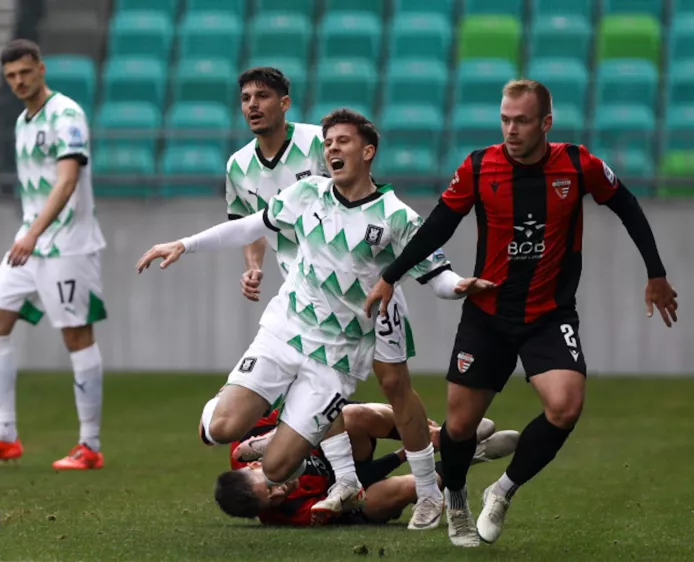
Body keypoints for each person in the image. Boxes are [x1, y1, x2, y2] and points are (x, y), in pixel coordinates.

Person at [137, 108, 494, 525]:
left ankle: (407, 480)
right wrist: (185, 243)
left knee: (275, 469)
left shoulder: (397, 217)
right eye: (327, 143)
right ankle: (242, 406)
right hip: (286, 331)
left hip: (338, 357)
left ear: (368, 151)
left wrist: (459, 286)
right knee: (221, 428)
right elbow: (251, 226)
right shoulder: (306, 194)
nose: (331, 149)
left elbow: (436, 275)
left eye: (342, 141)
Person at [364, 79, 679, 546]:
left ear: (546, 123)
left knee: (565, 407)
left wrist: (656, 273)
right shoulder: (478, 167)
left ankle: (503, 490)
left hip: (550, 314)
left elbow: (627, 206)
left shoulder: (579, 165)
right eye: (505, 120)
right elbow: (439, 224)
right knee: (459, 427)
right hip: (488, 315)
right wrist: (391, 275)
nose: (511, 130)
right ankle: (456, 501)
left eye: (522, 121)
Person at [224, 66, 454, 530]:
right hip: (305, 292)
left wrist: (445, 280)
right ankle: (352, 479)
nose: (252, 105)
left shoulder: (319, 142)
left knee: (394, 384)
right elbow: (249, 223)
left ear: (284, 103)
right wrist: (254, 266)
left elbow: (359, 192)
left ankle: (435, 462)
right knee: (311, 380)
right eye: (245, 97)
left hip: (365, 287)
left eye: (262, 96)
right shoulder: (238, 166)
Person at [0, 39, 107, 471]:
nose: (19, 81)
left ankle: (89, 445)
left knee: (76, 336)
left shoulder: (66, 114)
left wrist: (33, 234)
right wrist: (30, 235)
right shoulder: (23, 121)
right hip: (31, 242)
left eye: (24, 72)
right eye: (11, 77)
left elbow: (67, 180)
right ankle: (4, 436)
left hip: (67, 244)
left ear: (41, 69)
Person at [216, 403, 519, 527]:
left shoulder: (251, 438)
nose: (281, 492)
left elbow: (314, 405)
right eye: (272, 500)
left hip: (345, 450)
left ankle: (441, 436)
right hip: (358, 497)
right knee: (409, 486)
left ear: (254, 466)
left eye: (271, 487)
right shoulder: (289, 514)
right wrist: (402, 456)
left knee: (349, 413)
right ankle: (466, 456)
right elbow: (361, 481)